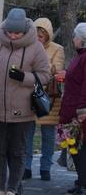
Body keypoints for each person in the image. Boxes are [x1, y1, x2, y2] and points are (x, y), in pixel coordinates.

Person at [0, 8, 50, 195]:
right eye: (10, 32)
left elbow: (45, 76)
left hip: (22, 110)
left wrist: (24, 78)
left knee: (17, 152)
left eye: (17, 33)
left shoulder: (36, 48)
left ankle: (11, 192)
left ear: (24, 31)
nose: (13, 36)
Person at [23, 18, 65, 181]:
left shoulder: (57, 49)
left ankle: (45, 167)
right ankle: (26, 166)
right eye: (37, 35)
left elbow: (57, 70)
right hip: (29, 94)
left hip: (49, 98)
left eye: (42, 36)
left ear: (48, 36)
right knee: (28, 134)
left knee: (48, 135)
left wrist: (40, 63)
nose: (39, 39)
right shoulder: (27, 47)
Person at [58, 23, 86, 195]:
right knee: (74, 146)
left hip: (79, 111)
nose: (73, 39)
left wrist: (82, 110)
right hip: (72, 107)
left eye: (75, 36)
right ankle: (80, 181)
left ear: (82, 40)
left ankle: (82, 183)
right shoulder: (80, 56)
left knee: (80, 148)